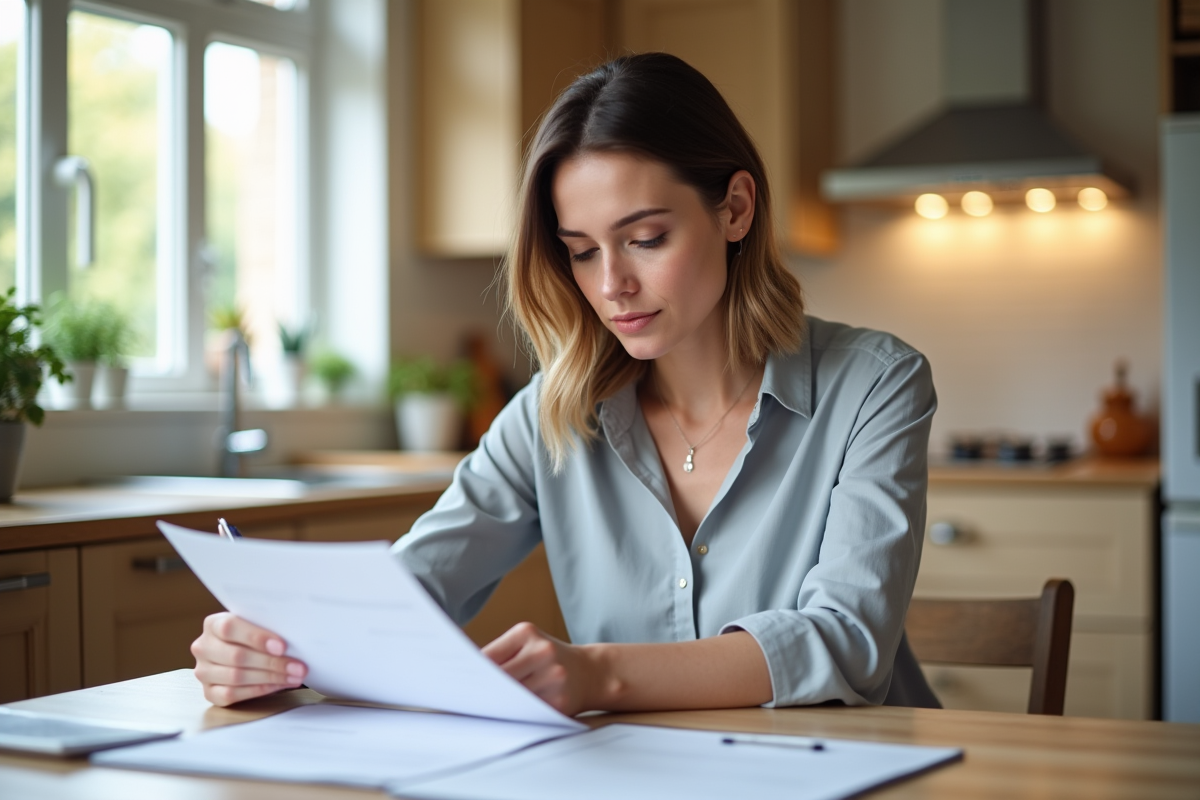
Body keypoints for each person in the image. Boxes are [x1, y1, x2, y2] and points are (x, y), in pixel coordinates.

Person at [191, 52, 940, 713]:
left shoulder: (874, 386)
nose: (612, 284)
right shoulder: (552, 416)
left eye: (646, 238)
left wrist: (598, 675)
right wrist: (273, 647)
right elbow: (407, 598)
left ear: (735, 209)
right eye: (582, 251)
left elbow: (845, 642)